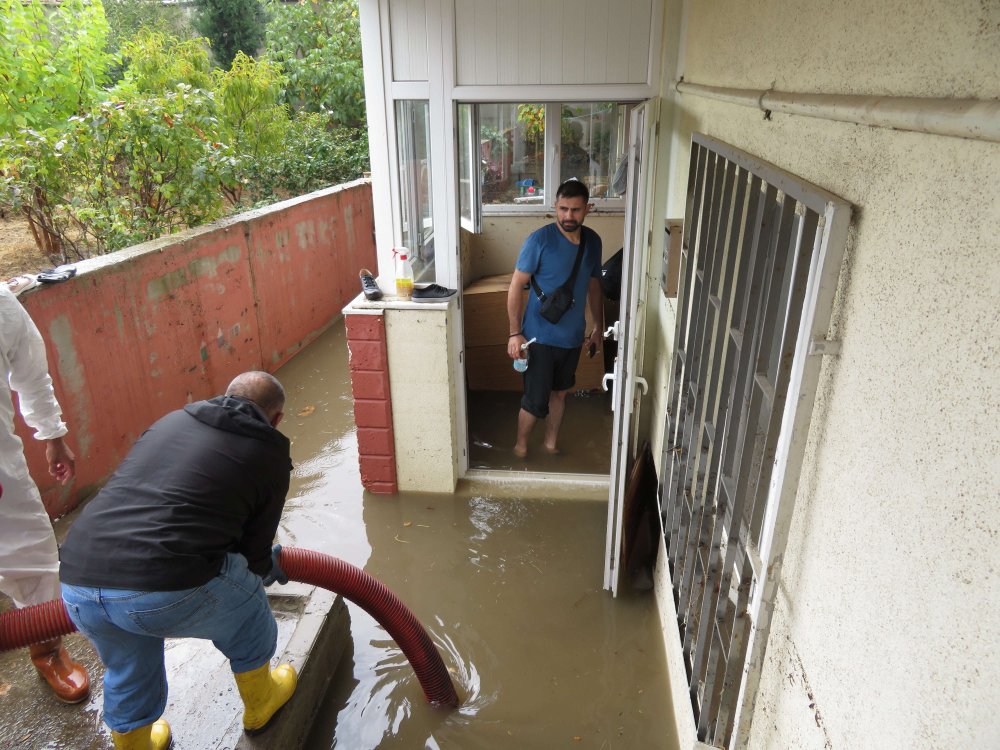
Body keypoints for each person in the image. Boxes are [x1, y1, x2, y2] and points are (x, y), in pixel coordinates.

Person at [59, 372, 296, 750]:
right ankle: (261, 701)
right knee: (249, 604)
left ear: (224, 395)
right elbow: (253, 552)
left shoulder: (172, 420)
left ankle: (136, 744)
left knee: (127, 663)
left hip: (77, 582)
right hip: (161, 588)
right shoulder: (269, 451)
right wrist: (266, 568)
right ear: (277, 418)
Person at [0, 283, 90, 704]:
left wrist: (52, 435)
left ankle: (47, 649)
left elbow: (32, 375)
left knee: (33, 557)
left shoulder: (2, 306)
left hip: (2, 471)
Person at [507, 179, 604, 457]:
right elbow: (516, 285)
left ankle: (550, 446)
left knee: (560, 393)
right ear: (555, 206)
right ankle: (520, 449)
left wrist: (598, 327)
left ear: (588, 208)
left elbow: (594, 286)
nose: (568, 216)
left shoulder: (593, 242)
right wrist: (515, 333)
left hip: (572, 338)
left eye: (575, 210)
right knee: (535, 401)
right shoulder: (539, 240)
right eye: (563, 209)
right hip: (538, 338)